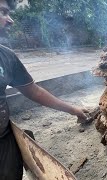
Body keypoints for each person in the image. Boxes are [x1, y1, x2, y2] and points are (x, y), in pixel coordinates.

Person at [0, 0, 89, 179]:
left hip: (3, 140)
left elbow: (34, 91)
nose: (10, 20)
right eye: (3, 12)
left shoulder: (6, 56)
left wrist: (73, 110)